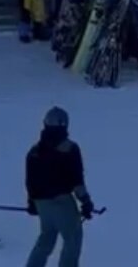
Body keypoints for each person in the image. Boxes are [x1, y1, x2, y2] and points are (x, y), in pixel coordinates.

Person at [25, 106, 96, 267]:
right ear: (64, 125)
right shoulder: (69, 148)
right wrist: (85, 201)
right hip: (62, 201)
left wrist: (32, 202)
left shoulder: (34, 151)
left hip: (42, 202)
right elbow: (76, 179)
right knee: (73, 238)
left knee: (47, 237)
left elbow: (30, 180)